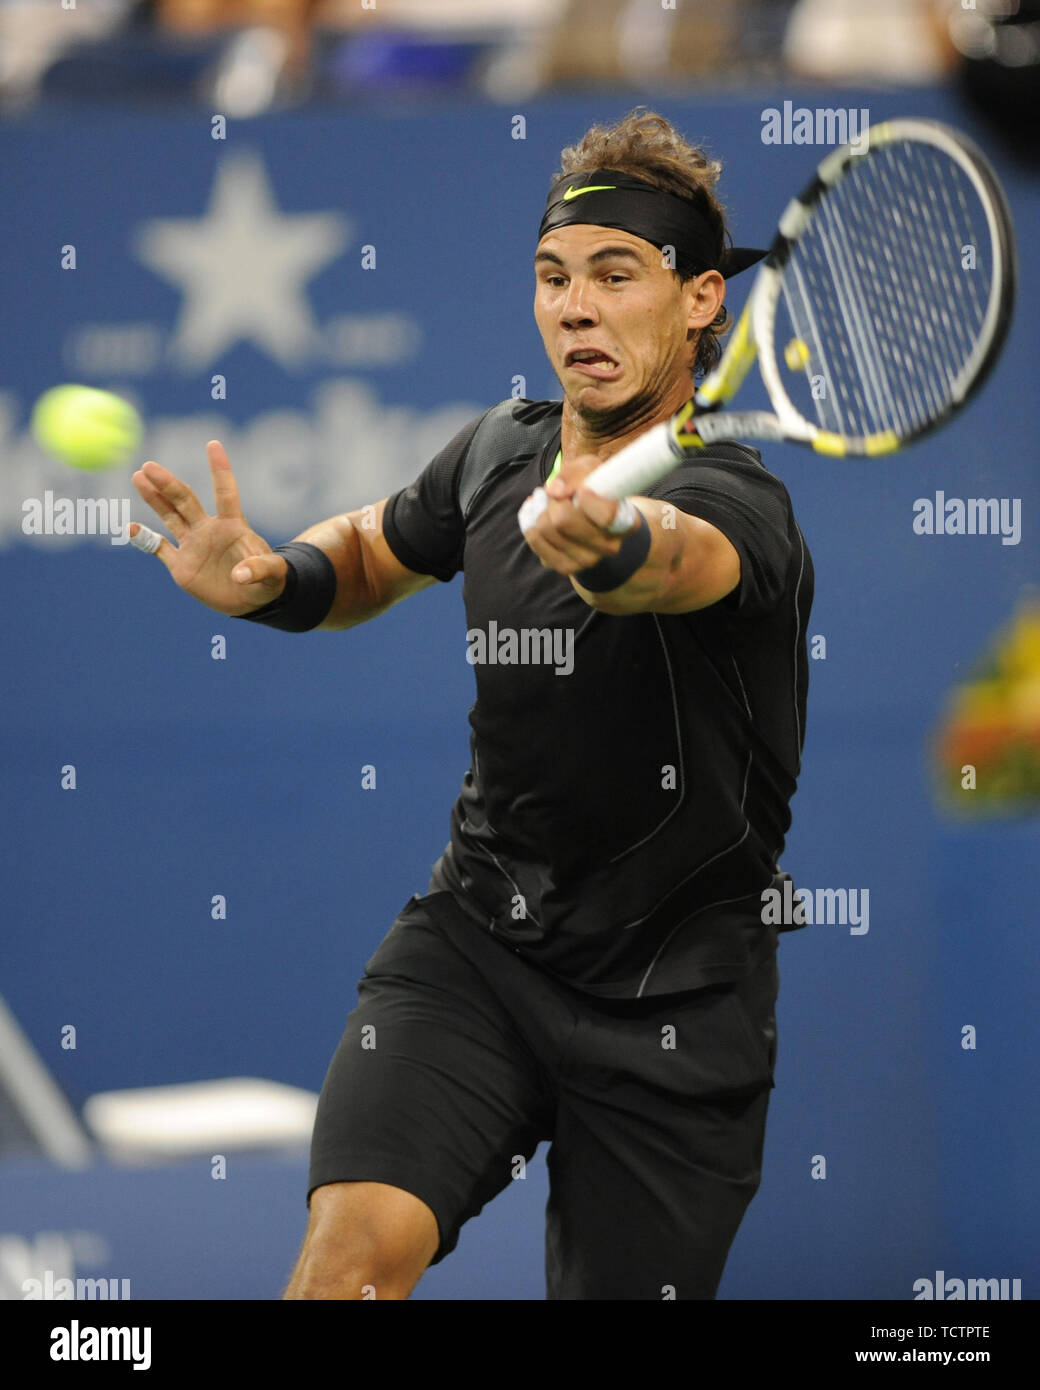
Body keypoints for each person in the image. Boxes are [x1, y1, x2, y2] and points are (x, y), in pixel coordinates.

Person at [129, 108, 814, 1301]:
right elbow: (369, 553)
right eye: (552, 278)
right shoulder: (500, 449)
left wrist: (604, 547)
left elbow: (672, 561)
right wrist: (268, 579)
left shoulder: (737, 503)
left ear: (701, 299)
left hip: (678, 1004)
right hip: (478, 951)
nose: (573, 308)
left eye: (614, 274)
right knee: (348, 1264)